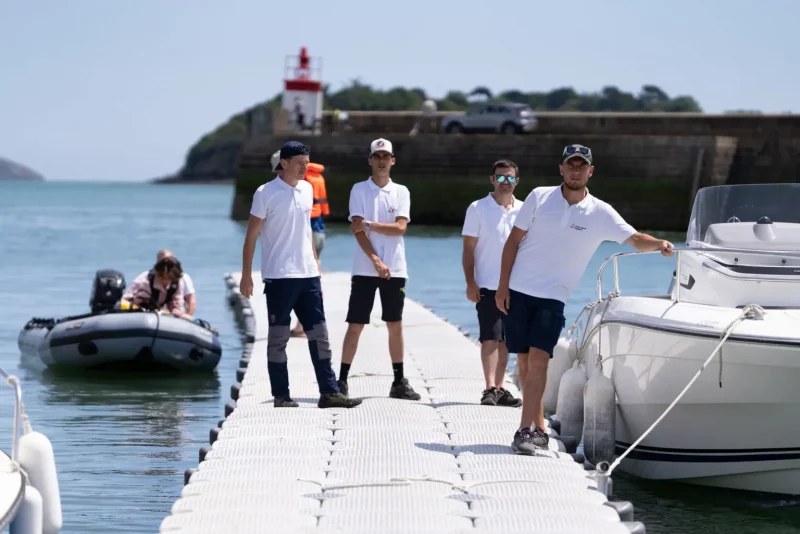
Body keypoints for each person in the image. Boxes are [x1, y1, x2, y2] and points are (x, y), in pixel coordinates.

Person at [495, 144, 675, 454]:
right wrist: (502, 287)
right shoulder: (539, 196)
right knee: (524, 362)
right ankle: (538, 426)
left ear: (590, 171)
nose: (576, 170)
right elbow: (512, 242)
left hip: (553, 296)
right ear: (561, 169)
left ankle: (523, 431)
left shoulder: (600, 212)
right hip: (519, 289)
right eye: (571, 165)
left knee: (539, 359)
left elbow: (634, 239)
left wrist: (660, 244)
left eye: (582, 166)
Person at [240, 141, 360, 409]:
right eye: (300, 163)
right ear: (283, 163)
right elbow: (251, 237)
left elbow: (307, 231)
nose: (306, 168)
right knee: (279, 338)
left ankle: (329, 393)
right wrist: (246, 275)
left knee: (320, 335)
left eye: (307, 162)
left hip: (308, 275)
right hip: (279, 277)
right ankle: (281, 395)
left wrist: (316, 266)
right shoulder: (265, 193)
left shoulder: (307, 189)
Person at [337, 138, 421, 401]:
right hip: (365, 268)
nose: (382, 160)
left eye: (387, 156)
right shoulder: (359, 190)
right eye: (378, 156)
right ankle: (341, 382)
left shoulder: (402, 191)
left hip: (395, 268)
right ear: (370, 160)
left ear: (393, 160)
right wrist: (375, 259)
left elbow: (400, 228)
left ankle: (398, 382)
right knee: (356, 324)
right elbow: (355, 230)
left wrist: (370, 225)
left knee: (394, 324)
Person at [461, 159, 524, 408]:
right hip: (487, 283)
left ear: (516, 181)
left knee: (506, 340)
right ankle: (488, 388)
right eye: (500, 177)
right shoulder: (477, 208)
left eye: (509, 178)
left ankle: (499, 388)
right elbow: (468, 250)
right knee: (490, 337)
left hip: (517, 285)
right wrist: (470, 282)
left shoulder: (524, 210)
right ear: (492, 179)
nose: (505, 182)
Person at [122, 256, 190, 318]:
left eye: (169, 278)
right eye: (162, 277)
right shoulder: (143, 280)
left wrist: (178, 314)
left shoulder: (177, 284)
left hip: (157, 313)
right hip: (136, 312)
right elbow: (125, 300)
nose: (165, 281)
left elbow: (176, 304)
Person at [156, 249, 196, 317]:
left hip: (177, 316)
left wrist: (189, 316)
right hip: (158, 315)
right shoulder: (152, 278)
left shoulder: (183, 278)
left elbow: (191, 300)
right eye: (163, 262)